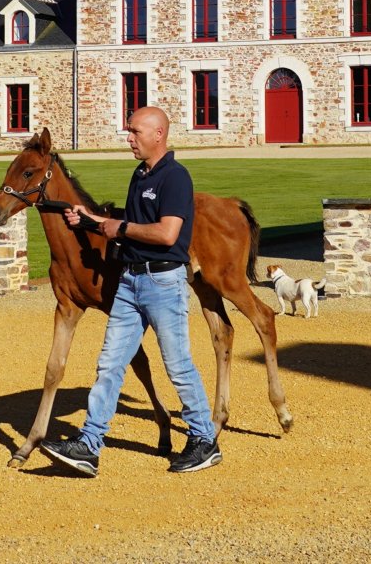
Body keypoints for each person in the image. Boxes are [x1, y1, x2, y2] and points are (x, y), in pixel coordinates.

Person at [40, 106, 222, 476]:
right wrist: (90, 220)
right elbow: (129, 224)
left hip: (163, 283)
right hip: (129, 282)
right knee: (109, 364)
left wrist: (118, 228)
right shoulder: (140, 176)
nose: (129, 138)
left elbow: (167, 233)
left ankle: (205, 440)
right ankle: (90, 444)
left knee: (178, 366)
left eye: (135, 131)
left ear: (158, 134)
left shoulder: (176, 177)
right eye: (129, 131)